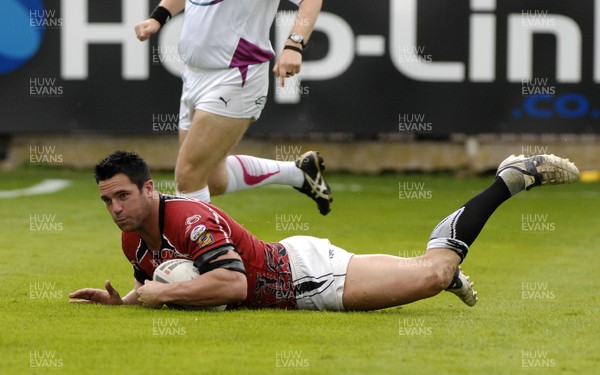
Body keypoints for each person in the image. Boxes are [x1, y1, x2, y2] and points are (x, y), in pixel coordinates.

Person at [69, 151, 579, 310]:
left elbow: (231, 284)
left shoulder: (189, 218)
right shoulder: (132, 236)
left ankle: (509, 180)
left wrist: (156, 298)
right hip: (294, 266)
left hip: (307, 279)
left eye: (122, 196)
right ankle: (445, 271)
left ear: (149, 188)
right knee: (430, 272)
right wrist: (129, 301)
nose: (115, 208)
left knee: (433, 271)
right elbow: (167, 278)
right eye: (107, 200)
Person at [133, 0, 332, 215]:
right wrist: (159, 16)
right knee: (212, 179)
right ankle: (299, 173)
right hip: (193, 73)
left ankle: (205, 248)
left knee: (189, 175)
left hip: (237, 74)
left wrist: (294, 44)